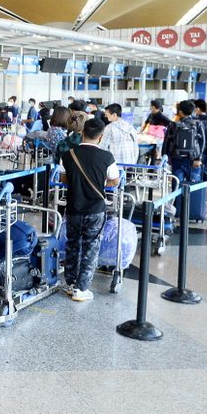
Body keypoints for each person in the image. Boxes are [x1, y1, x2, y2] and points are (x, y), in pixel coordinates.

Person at [56, 117, 120, 302]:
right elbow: (114, 181)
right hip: (95, 209)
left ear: (82, 133)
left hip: (73, 207)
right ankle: (81, 288)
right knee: (91, 247)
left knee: (72, 245)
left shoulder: (68, 155)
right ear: (101, 137)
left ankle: (69, 283)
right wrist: (100, 181)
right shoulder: (107, 157)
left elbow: (63, 179)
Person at [163, 100, 206, 216]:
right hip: (194, 160)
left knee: (176, 187)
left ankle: (176, 212)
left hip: (178, 160)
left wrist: (166, 158)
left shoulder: (173, 124)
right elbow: (202, 142)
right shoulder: (198, 123)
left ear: (180, 112)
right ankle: (193, 212)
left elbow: (167, 142)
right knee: (194, 186)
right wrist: (199, 159)